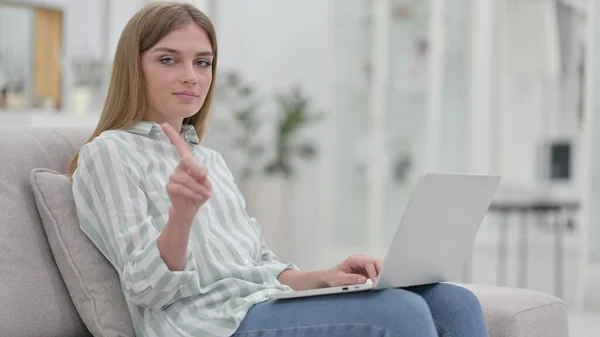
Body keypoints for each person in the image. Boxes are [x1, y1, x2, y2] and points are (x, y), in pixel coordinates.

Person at [69, 2, 490, 337]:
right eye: (168, 60)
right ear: (133, 66)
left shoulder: (209, 159)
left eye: (202, 62)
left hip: (259, 302)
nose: (190, 77)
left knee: (455, 302)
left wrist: (327, 277)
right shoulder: (108, 154)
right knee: (399, 313)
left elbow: (261, 265)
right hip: (207, 326)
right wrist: (180, 217)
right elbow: (148, 290)